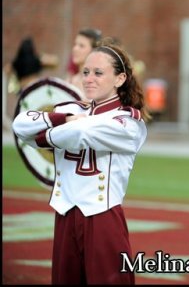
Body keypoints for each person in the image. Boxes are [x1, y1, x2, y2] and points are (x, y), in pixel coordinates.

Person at [12, 38, 149, 284]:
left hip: (102, 215)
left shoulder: (129, 121)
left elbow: (80, 133)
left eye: (98, 73)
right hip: (65, 213)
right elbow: (20, 124)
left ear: (120, 79)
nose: (89, 79)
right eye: (85, 72)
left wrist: (46, 136)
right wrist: (63, 119)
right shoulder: (70, 110)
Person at [67, 27, 102, 95]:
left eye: (81, 46)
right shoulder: (69, 82)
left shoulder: (99, 83)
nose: (75, 49)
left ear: (93, 50)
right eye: (75, 44)